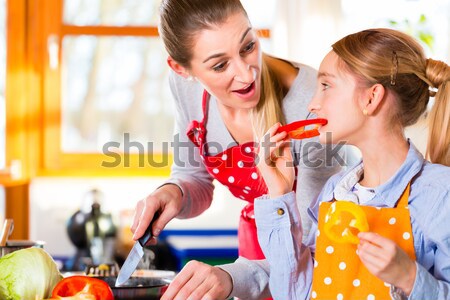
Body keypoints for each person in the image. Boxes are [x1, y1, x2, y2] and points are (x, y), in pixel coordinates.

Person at [131, 0, 343, 264]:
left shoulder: (312, 103)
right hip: (254, 247)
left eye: (248, 46)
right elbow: (194, 178)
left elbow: (310, 244)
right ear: (180, 68)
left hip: (317, 253)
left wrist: (232, 278)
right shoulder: (186, 88)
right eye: (220, 66)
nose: (246, 75)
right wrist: (173, 192)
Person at [252, 28, 450, 299]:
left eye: (326, 86)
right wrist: (280, 193)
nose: (312, 104)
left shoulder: (441, 193)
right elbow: (295, 294)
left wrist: (409, 278)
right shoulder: (336, 191)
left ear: (371, 98)